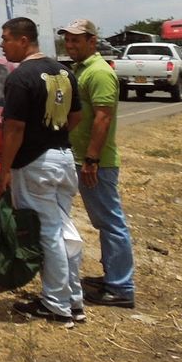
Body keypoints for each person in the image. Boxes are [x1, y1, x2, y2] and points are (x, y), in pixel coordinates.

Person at [0, 16, 84, 326]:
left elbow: (14, 129)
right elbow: (76, 116)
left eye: (6, 38)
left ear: (23, 41)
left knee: (47, 233)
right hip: (63, 158)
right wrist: (53, 135)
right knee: (64, 230)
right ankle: (73, 299)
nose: (2, 45)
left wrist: (4, 169)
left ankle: (57, 305)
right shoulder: (64, 72)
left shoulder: (21, 77)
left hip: (35, 164)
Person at [60, 19, 136, 310]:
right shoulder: (81, 69)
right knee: (104, 222)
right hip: (82, 158)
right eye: (67, 40)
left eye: (76, 40)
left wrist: (92, 159)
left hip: (96, 163)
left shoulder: (100, 72)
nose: (70, 45)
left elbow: (103, 118)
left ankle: (121, 287)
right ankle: (113, 277)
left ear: (92, 41)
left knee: (111, 223)